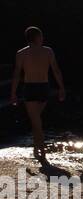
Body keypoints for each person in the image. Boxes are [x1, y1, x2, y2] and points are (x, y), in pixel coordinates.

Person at [9, 26, 66, 163]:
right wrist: (61, 87)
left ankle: (40, 149)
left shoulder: (21, 53)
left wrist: (13, 93)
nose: (43, 38)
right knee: (36, 119)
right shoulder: (48, 51)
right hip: (43, 87)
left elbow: (17, 74)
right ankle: (39, 147)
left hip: (31, 87)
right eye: (41, 36)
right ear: (37, 37)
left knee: (36, 120)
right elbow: (56, 71)